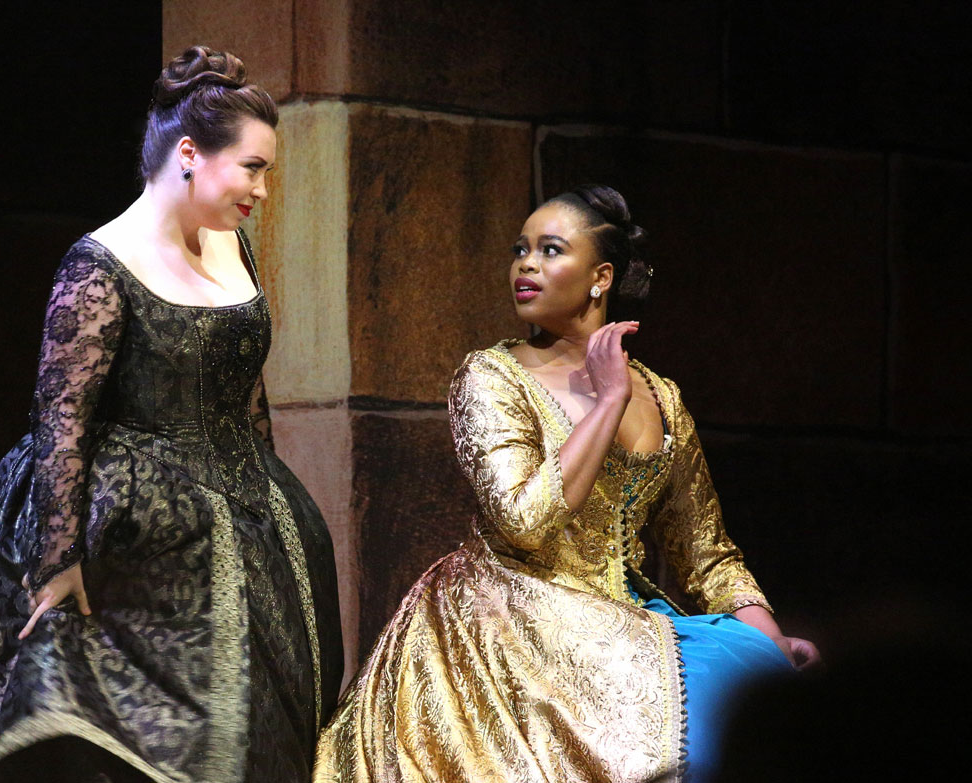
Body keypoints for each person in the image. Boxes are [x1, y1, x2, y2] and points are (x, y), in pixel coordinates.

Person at [0, 46, 343, 783]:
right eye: (252, 168)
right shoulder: (98, 265)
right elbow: (63, 419)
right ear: (191, 154)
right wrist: (58, 559)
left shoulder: (234, 245)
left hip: (246, 514)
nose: (262, 189)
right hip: (131, 533)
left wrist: (269, 510)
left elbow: (245, 392)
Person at [313, 185, 820, 783]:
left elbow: (706, 552)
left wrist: (770, 643)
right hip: (511, 621)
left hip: (626, 621)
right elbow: (524, 523)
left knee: (754, 698)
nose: (525, 265)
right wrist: (608, 402)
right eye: (520, 250)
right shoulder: (491, 377)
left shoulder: (662, 397)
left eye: (550, 250)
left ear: (601, 277)